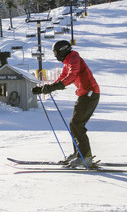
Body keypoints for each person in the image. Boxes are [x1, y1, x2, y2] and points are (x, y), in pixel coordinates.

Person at [32, 40, 100, 168]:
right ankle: (79, 153)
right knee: (74, 124)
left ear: (62, 50)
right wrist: (44, 88)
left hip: (90, 93)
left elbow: (71, 76)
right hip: (84, 94)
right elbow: (62, 78)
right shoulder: (68, 61)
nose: (55, 55)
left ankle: (85, 157)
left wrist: (54, 87)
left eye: (55, 52)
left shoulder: (74, 58)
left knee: (77, 125)